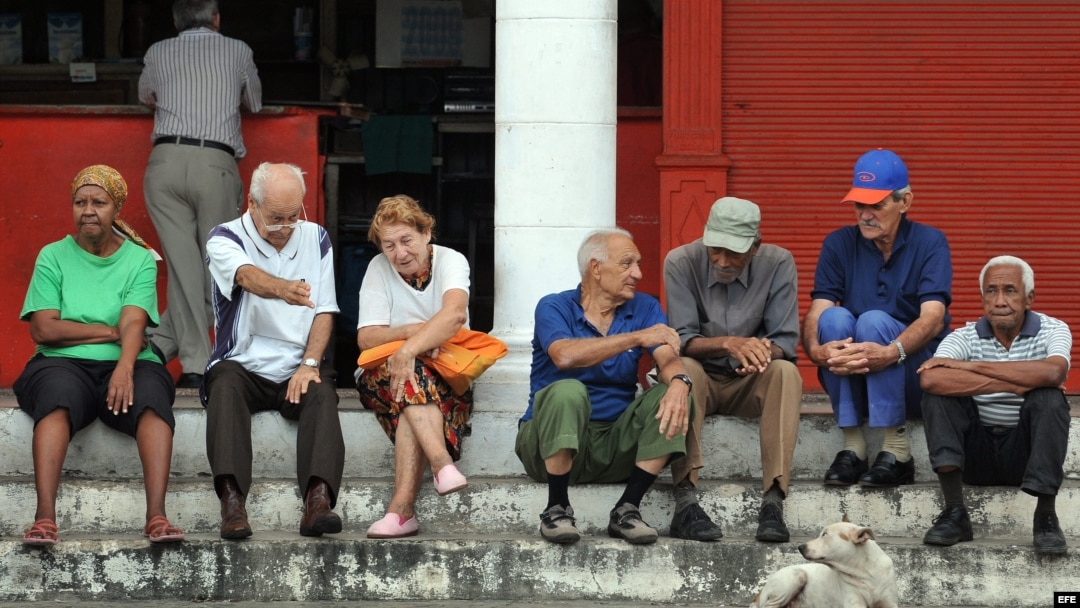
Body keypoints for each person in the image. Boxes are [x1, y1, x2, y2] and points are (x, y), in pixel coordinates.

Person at [14, 165, 183, 546]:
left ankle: (156, 515)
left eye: (99, 202)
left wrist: (125, 367)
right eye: (80, 202)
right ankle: (44, 518)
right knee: (56, 397)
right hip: (61, 362)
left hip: (130, 360)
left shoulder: (139, 260)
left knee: (153, 398)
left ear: (116, 209)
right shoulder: (53, 256)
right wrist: (110, 332)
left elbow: (135, 323)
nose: (88, 210)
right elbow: (44, 329)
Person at [516, 228, 693, 545]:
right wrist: (638, 337)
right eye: (627, 264)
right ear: (595, 268)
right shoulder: (554, 306)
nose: (637, 274)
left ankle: (628, 509)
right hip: (547, 446)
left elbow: (667, 359)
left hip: (613, 445)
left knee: (673, 393)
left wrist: (681, 381)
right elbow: (564, 356)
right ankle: (556, 508)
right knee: (567, 390)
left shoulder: (644, 307)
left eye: (637, 264)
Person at [202, 162, 343, 540]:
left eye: (292, 216)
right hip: (243, 362)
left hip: (297, 364)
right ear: (251, 203)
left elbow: (326, 309)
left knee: (323, 393)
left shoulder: (316, 238)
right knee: (224, 386)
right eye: (276, 218)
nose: (285, 227)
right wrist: (283, 289)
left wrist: (309, 363)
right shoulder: (224, 238)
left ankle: (318, 502)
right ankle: (232, 504)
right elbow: (246, 276)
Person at [802, 148, 952, 488]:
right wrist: (815, 351)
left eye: (877, 205)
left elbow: (933, 317)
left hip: (913, 375)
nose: (866, 215)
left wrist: (893, 352)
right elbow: (818, 309)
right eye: (859, 205)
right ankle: (854, 447)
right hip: (857, 373)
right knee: (834, 320)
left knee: (873, 321)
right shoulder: (839, 243)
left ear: (905, 202)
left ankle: (897, 451)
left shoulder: (930, 243)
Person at [663, 196, 803, 543]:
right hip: (703, 379)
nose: (722, 261)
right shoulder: (680, 262)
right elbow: (679, 339)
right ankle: (685, 499)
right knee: (686, 372)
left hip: (749, 380)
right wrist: (728, 343)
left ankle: (773, 499)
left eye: (734, 253)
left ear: (755, 246)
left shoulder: (779, 262)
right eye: (715, 249)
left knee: (786, 372)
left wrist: (758, 352)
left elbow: (784, 340)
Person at [140, 0, 262, 389]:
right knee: (219, 263)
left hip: (165, 160)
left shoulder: (157, 50)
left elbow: (147, 96)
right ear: (217, 19)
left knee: (185, 269)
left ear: (176, 21)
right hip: (214, 162)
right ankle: (195, 365)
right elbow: (255, 102)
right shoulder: (238, 49)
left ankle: (161, 346)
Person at [919, 256, 1070, 556]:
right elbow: (932, 379)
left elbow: (1054, 373)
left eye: (1010, 290)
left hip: (1024, 456)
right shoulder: (963, 336)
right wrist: (1018, 382)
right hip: (976, 455)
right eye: (991, 291)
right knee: (937, 396)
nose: (1000, 300)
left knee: (1049, 398)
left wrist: (972, 367)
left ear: (1029, 298)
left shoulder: (1053, 329)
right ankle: (955, 513)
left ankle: (1045, 518)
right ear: (983, 298)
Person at [354, 195, 476, 539]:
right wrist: (413, 337)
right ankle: (441, 465)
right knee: (409, 377)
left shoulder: (452, 261)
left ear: (427, 233)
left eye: (407, 240)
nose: (400, 253)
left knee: (411, 388)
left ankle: (401, 511)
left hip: (446, 370)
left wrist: (408, 352)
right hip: (384, 372)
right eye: (389, 245)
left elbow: (454, 315)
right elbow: (366, 338)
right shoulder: (378, 268)